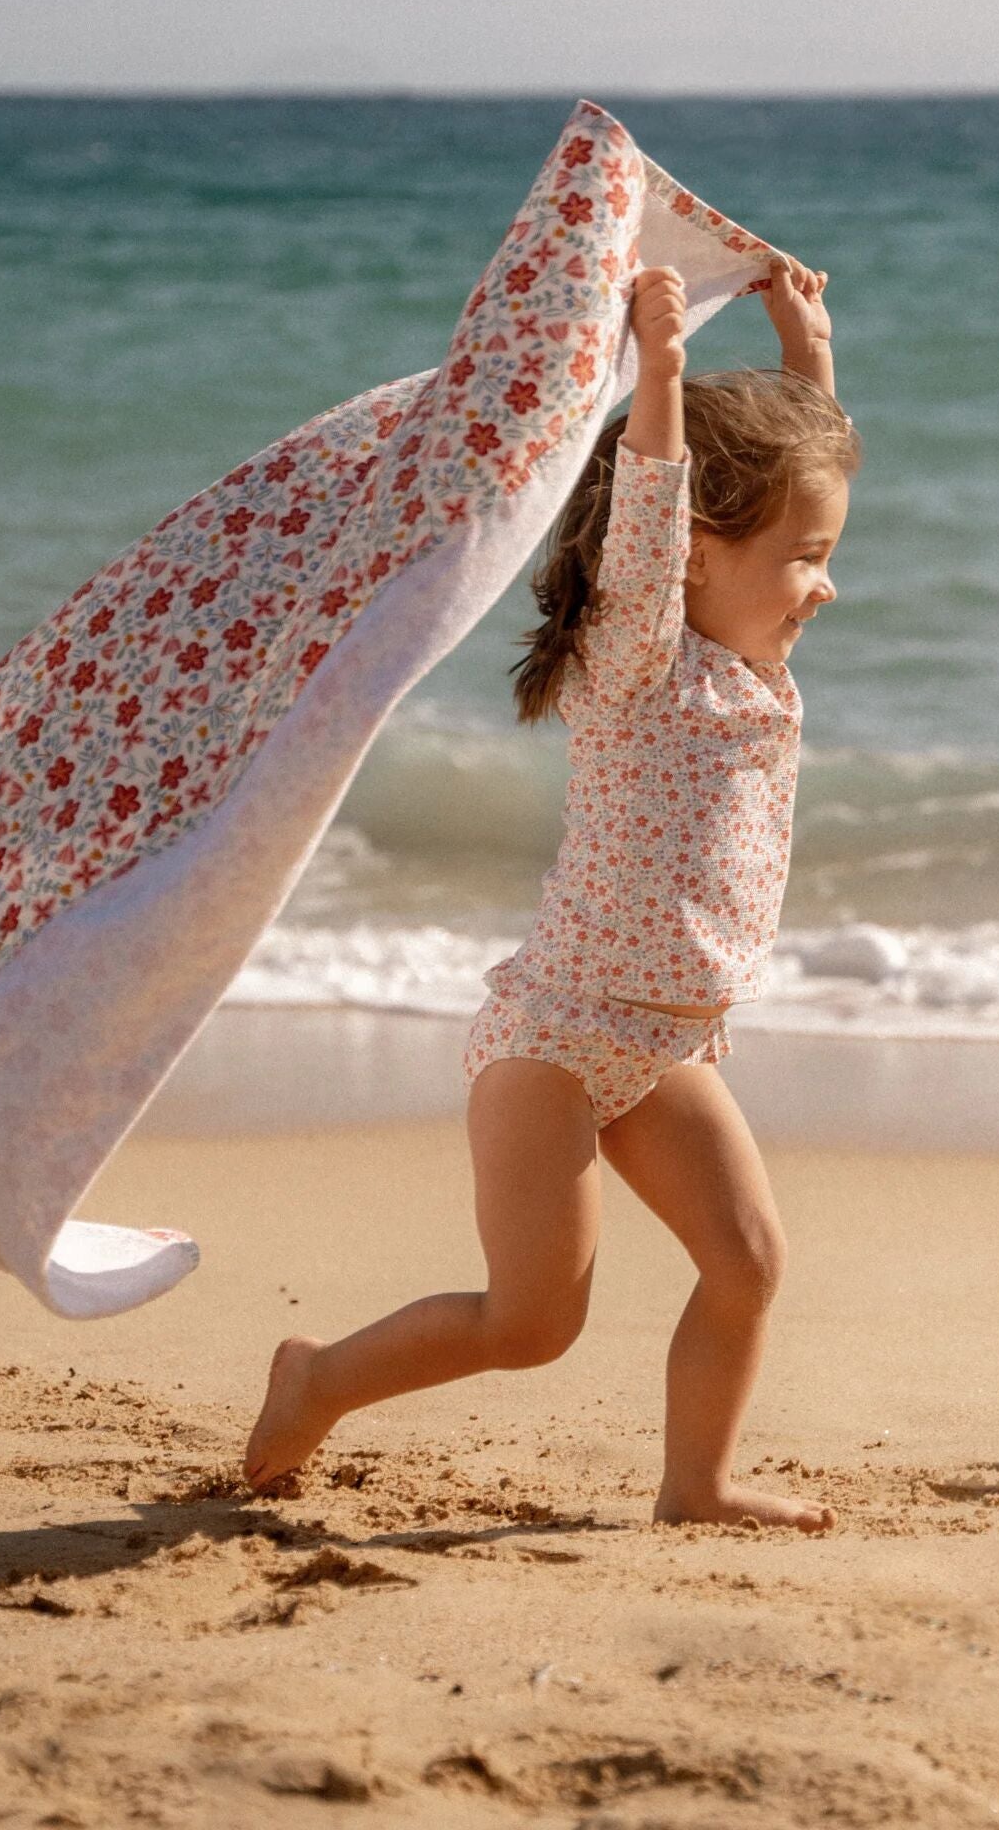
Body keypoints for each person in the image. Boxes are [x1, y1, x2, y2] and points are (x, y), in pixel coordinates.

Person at [243, 249, 859, 1530]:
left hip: (663, 1041)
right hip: (559, 1042)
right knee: (531, 1322)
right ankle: (316, 1379)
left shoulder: (750, 664)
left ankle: (694, 1485)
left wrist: (809, 360)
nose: (828, 581)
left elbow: (788, 481)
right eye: (804, 556)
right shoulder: (639, 661)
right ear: (695, 555)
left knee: (747, 1260)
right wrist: (661, 373)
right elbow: (649, 518)